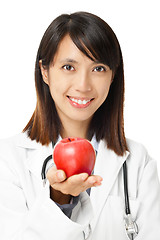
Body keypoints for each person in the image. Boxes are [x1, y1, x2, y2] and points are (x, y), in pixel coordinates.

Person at [0, 11, 160, 240]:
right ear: (45, 71)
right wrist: (58, 200)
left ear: (113, 76)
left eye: (98, 69)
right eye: (68, 67)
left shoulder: (137, 162)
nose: (83, 85)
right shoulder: (7, 160)